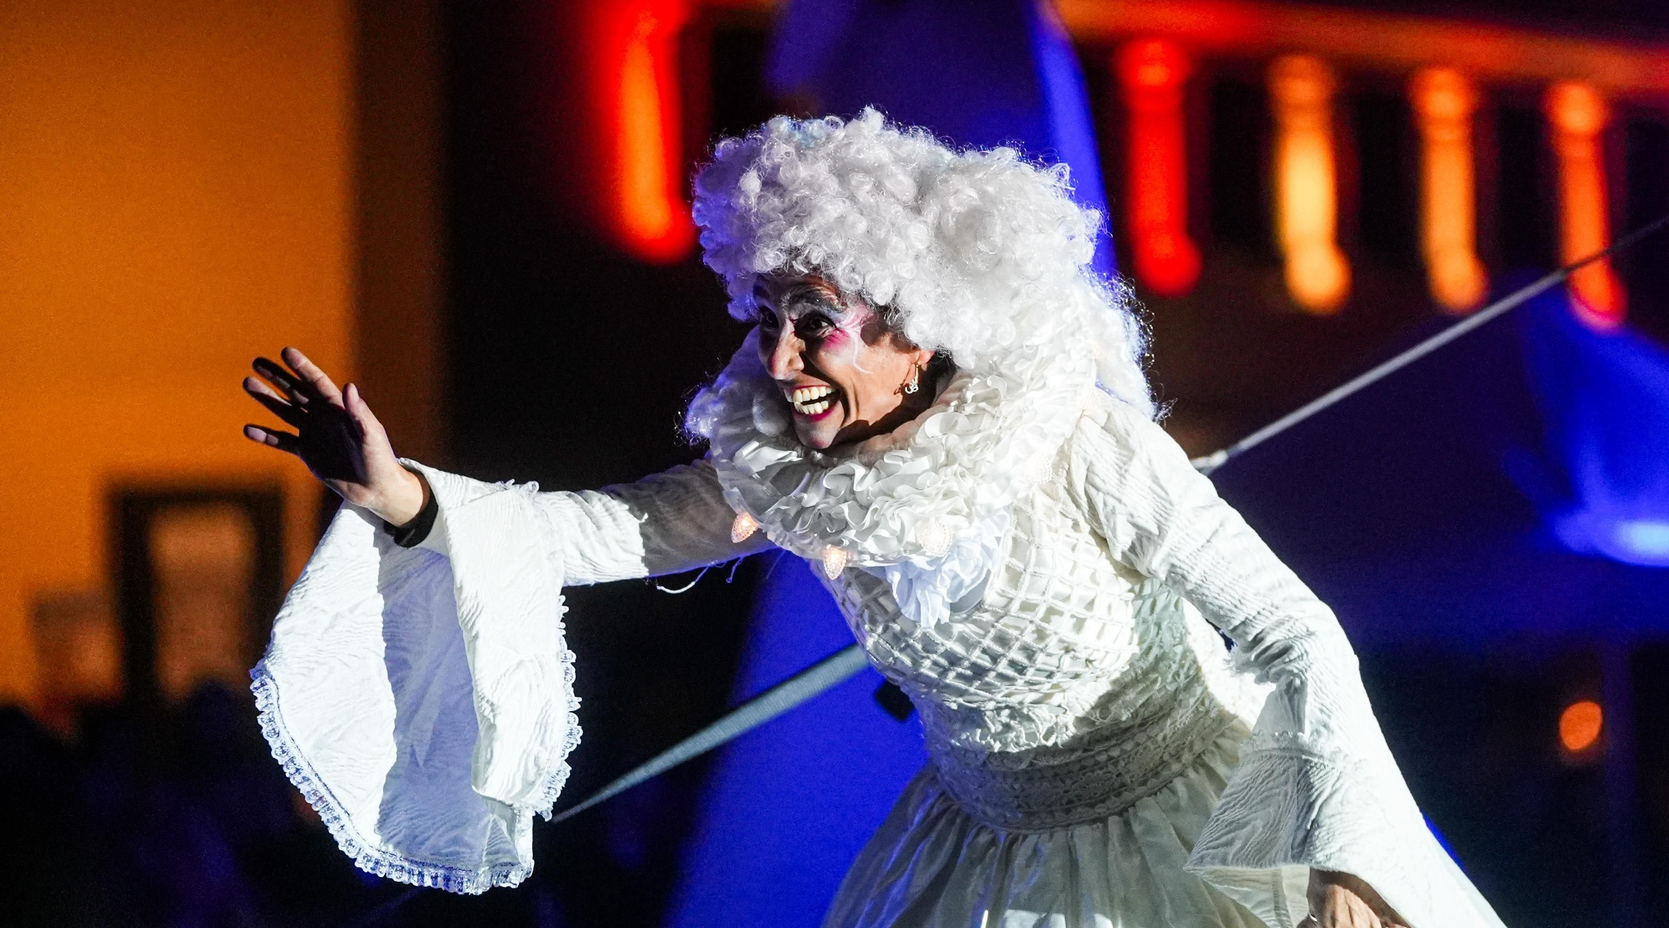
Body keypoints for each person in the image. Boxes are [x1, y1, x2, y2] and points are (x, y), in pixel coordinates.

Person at [243, 110, 1507, 928]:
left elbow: (1295, 633)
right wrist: (398, 495)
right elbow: (606, 536)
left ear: (917, 332)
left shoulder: (1073, 436)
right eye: (767, 316)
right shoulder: (786, 460)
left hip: (1185, 841)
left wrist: (1343, 859)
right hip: (987, 852)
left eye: (817, 324)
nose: (781, 359)